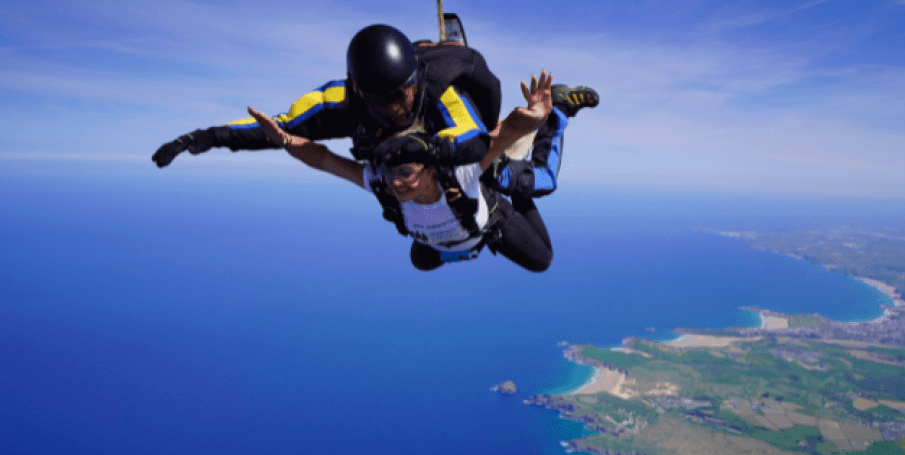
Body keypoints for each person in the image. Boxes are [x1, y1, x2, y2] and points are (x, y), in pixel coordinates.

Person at [247, 73, 599, 272]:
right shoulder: (383, 183)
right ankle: (469, 233)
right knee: (421, 260)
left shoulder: (460, 173)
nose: (396, 182)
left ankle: (559, 112)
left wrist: (536, 115)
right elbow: (325, 160)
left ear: (430, 168)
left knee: (541, 255)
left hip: (485, 205)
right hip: (462, 226)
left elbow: (502, 134)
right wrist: (286, 141)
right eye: (391, 172)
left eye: (405, 171)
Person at [152, 24, 501, 172]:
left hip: (444, 139)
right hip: (402, 160)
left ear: (416, 80)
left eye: (405, 92)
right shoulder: (338, 101)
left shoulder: (441, 89)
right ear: (359, 92)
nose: (400, 107)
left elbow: (473, 136)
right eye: (385, 100)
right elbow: (277, 128)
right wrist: (207, 136)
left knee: (482, 170)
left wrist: (430, 148)